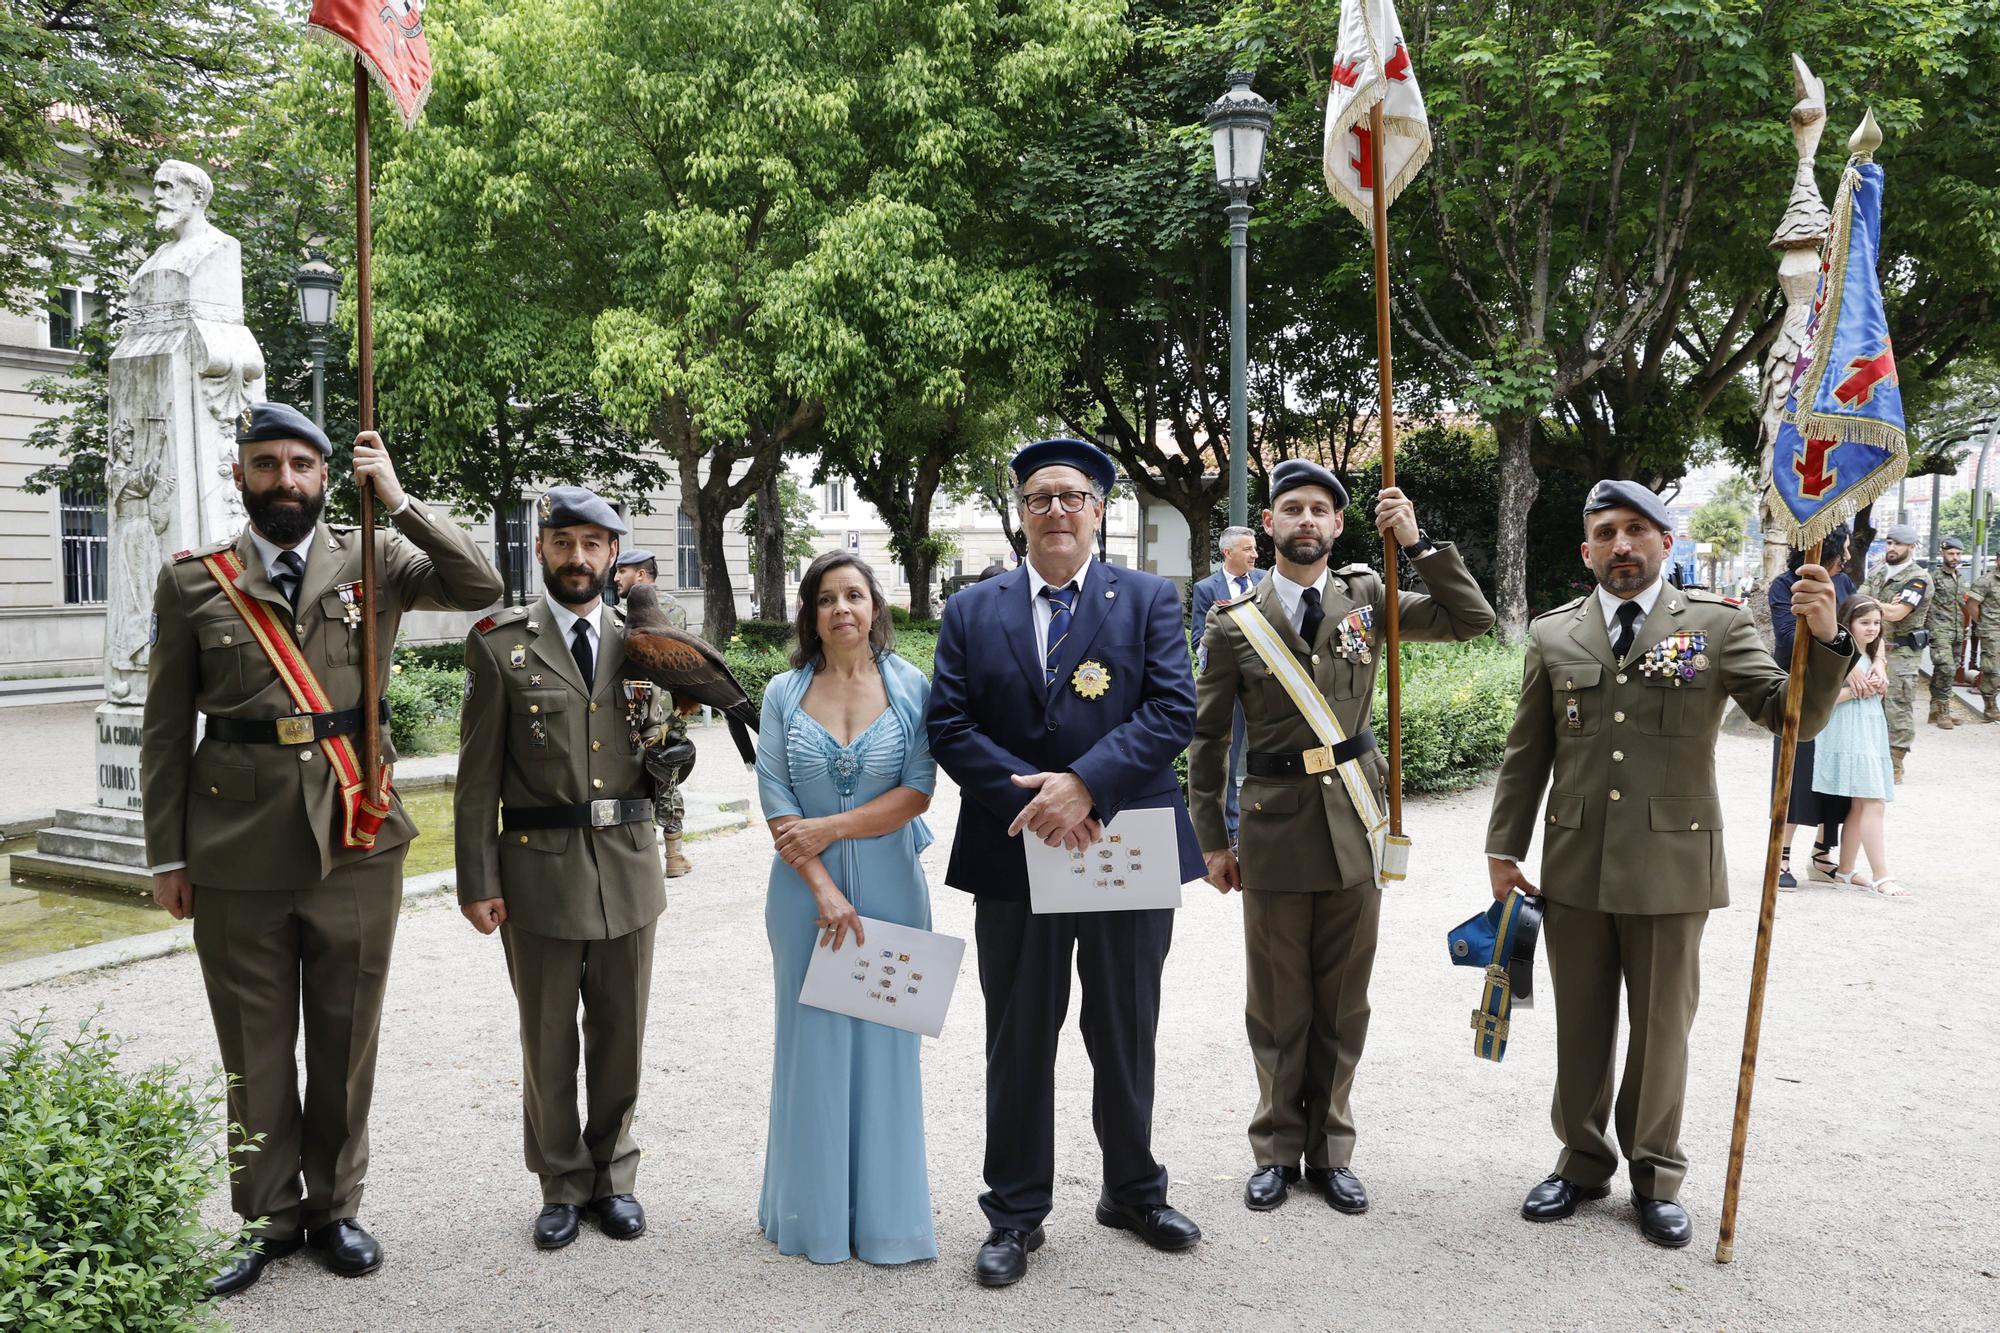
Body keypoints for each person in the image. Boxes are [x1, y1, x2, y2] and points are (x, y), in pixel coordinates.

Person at [141, 402, 504, 1296]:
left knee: (345, 1033)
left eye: (302, 466)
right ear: (241, 476)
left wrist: (404, 499)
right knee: (254, 1043)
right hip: (232, 848)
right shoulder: (197, 581)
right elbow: (162, 729)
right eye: (267, 465)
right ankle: (269, 1217)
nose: (286, 482)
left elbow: (481, 586)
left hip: (357, 836)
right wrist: (166, 856)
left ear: (325, 476)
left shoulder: (373, 555)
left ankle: (335, 1206)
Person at [1485, 479, 1851, 1249]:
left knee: (1662, 1031)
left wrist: (1826, 643)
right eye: (1606, 532)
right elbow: (1528, 755)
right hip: (1576, 860)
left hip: (1673, 863)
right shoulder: (1555, 634)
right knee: (1581, 1026)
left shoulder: (1716, 626)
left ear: (1666, 542)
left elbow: (1792, 715)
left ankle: (1656, 1173)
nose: (1622, 545)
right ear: (1586, 550)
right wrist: (1502, 849)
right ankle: (1582, 1161)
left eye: (1637, 530)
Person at [925, 436, 1206, 1288]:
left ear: (1097, 510)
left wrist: (1084, 784)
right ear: (1020, 511)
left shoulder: (1150, 599)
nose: (1056, 509)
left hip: (1124, 844)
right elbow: (949, 725)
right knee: (1019, 1036)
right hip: (1017, 853)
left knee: (1124, 1026)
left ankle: (1132, 1190)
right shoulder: (975, 609)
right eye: (1040, 496)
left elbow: (1172, 711)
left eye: (1071, 496)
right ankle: (1014, 1211)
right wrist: (1034, 801)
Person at [1190, 461, 1493, 1216]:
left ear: (1337, 526)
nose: (1306, 521)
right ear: (1268, 525)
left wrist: (1417, 541)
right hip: (1273, 833)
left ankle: (1330, 1152)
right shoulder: (1235, 624)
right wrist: (1212, 841)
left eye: (1320, 510)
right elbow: (1205, 744)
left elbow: (1470, 619)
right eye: (1291, 508)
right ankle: (1274, 1149)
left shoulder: (1369, 594)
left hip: (1355, 827)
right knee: (1275, 1004)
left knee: (1343, 1004)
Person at [455, 487, 669, 1252]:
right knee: (547, 1038)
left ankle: (614, 1177)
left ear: (614, 555)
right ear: (539, 549)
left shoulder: (648, 642)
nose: (576, 557)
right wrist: (476, 879)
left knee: (622, 1034)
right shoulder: (499, 641)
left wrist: (675, 762)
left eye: (592, 543)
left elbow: (661, 751)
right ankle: (561, 1182)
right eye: (562, 542)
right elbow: (476, 777)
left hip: (629, 866)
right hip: (539, 871)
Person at [754, 551, 938, 1264]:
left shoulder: (912, 686)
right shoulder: (780, 692)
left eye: (854, 595)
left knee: (890, 1049)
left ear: (875, 606)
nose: (842, 609)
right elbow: (775, 799)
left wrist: (828, 828)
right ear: (811, 613)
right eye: (826, 598)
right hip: (803, 898)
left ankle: (889, 1220)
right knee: (814, 1047)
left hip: (894, 888)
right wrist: (823, 885)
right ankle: (812, 1215)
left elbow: (918, 791)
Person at [1767, 527, 1857, 887]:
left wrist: (1868, 666)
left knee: (1834, 774)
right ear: (1828, 549)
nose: (1848, 557)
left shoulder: (1845, 584)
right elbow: (1788, 641)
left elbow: (1858, 629)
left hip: (1839, 686)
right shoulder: (1785, 585)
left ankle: (1822, 854)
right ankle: (1781, 858)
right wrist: (1826, 626)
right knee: (1793, 772)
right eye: (1845, 549)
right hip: (1798, 688)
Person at [1812, 596, 1905, 896]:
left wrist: (1877, 682)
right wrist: (1856, 691)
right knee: (1873, 801)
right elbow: (1821, 699)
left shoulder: (1874, 656)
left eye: (1877, 623)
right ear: (1848, 622)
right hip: (1846, 733)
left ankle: (1847, 869)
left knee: (1862, 804)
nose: (1872, 629)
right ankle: (1882, 875)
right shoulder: (1839, 656)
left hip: (1869, 730)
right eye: (1864, 623)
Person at [612, 548, 693, 876]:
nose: (616, 577)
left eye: (623, 571)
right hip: (663, 711)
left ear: (641, 576)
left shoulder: (618, 615)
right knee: (667, 779)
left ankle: (636, 854)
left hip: (628, 710)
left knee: (628, 781)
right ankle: (673, 855)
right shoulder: (674, 609)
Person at [1189, 526, 1267, 842]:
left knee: (1268, 751)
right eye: (1248, 549)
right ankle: (1232, 829)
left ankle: (1264, 821)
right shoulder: (1208, 588)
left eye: (1254, 548)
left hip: (1266, 683)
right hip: (1228, 687)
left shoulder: (1266, 580)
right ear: (1228, 553)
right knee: (1227, 758)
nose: (1255, 554)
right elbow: (1199, 638)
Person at [1860, 523, 1930, 781]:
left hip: (1901, 654)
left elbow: (1898, 613)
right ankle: (1873, 759)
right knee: (1867, 702)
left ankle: (1895, 765)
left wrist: (1872, 605)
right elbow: (1859, 603)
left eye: (1898, 543)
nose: (1891, 547)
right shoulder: (1878, 572)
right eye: (1889, 542)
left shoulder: (1918, 578)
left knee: (1897, 707)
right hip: (1872, 650)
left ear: (1911, 547)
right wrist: (1879, 605)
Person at [1926, 536, 1967, 729]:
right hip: (1939, 630)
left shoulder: (1960, 578)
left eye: (1958, 554)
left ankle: (1936, 710)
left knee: (1946, 671)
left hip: (1957, 632)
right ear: (1942, 553)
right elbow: (1924, 603)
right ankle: (1943, 711)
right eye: (1951, 553)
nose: (1955, 557)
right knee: (1946, 668)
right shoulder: (1933, 577)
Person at [1971, 560, 2000, 722]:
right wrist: (1985, 624)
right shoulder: (1986, 581)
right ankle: (1990, 707)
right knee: (1993, 670)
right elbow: (1972, 605)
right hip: (1993, 632)